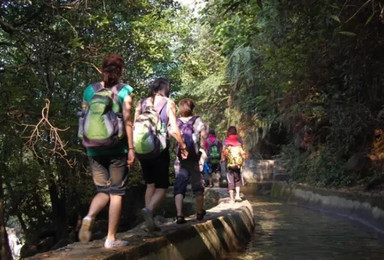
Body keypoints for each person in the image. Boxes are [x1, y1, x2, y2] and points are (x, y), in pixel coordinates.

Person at [78, 54, 135, 249]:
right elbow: (127, 120)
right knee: (117, 192)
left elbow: (83, 117)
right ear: (121, 71)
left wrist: (85, 142)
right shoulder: (125, 90)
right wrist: (132, 148)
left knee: (103, 191)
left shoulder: (89, 91)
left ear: (101, 69)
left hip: (93, 148)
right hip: (116, 148)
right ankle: (111, 238)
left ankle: (89, 216)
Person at [134, 78, 187, 232]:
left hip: (142, 150)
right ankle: (149, 210)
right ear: (166, 88)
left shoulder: (141, 102)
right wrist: (182, 146)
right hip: (159, 150)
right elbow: (174, 129)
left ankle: (148, 222)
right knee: (162, 186)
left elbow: (135, 125)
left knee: (150, 184)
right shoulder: (168, 103)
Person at [174, 98, 207, 224]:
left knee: (179, 187)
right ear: (192, 109)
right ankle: (199, 213)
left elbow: (170, 134)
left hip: (180, 159)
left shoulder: (176, 121)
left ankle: (179, 215)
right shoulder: (197, 120)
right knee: (198, 186)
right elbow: (204, 135)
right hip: (194, 158)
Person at [222, 126, 246, 203]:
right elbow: (242, 152)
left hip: (229, 164)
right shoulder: (239, 141)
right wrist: (242, 161)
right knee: (237, 179)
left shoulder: (225, 141)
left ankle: (232, 199)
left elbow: (223, 152)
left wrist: (223, 159)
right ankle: (238, 195)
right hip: (238, 164)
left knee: (230, 181)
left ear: (228, 132)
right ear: (236, 132)